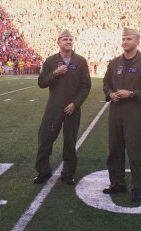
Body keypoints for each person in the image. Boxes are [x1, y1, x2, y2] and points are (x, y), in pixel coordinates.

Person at [102, 27, 141, 202]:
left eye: (129, 39)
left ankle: (139, 187)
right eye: (123, 39)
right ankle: (117, 183)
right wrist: (110, 93)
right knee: (115, 150)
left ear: (137, 41)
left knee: (135, 151)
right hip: (115, 112)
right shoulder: (114, 63)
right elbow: (106, 83)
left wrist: (132, 94)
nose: (125, 42)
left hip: (134, 113)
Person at [33, 29, 91, 185]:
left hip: (73, 108)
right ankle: (43, 171)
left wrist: (75, 104)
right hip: (54, 107)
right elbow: (41, 83)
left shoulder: (80, 61)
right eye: (65, 39)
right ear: (58, 42)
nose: (69, 41)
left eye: (71, 39)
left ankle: (68, 173)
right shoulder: (51, 61)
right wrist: (55, 73)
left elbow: (86, 87)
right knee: (45, 139)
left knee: (70, 142)